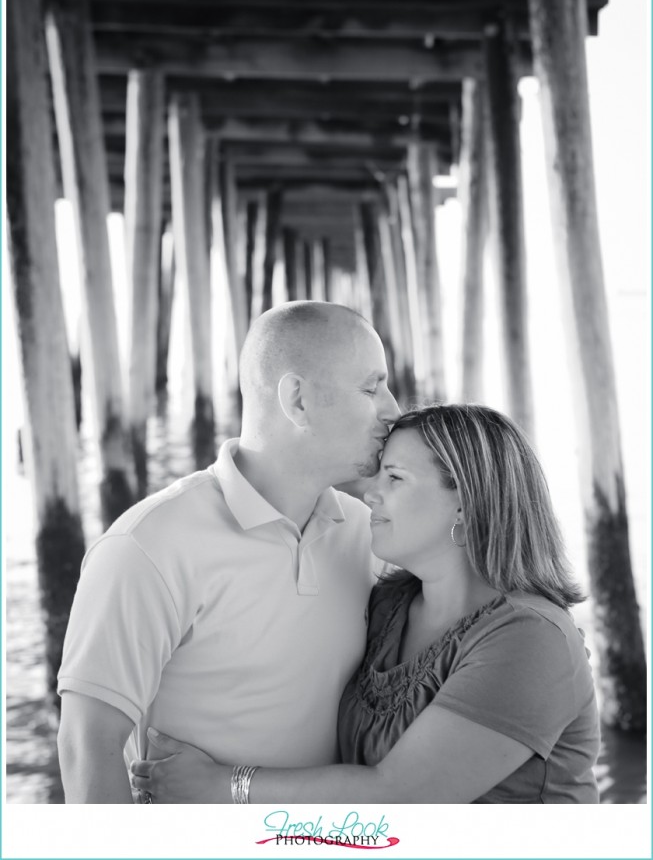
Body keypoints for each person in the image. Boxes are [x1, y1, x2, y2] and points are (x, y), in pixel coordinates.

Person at [131, 404, 600, 804]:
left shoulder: (531, 637)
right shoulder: (388, 604)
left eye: (394, 477)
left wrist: (223, 786)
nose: (369, 492)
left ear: (465, 505)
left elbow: (400, 795)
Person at [57, 301, 399, 803]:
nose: (392, 409)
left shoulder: (371, 535)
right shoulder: (147, 545)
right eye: (372, 388)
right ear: (297, 400)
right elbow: (87, 749)